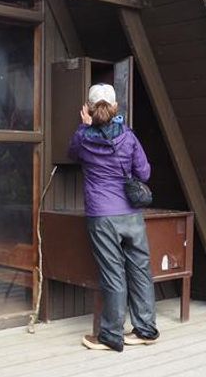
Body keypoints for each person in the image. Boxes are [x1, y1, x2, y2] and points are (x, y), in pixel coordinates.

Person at [67, 83, 159, 352]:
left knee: (113, 274)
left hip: (103, 215)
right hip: (131, 215)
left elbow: (71, 154)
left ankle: (110, 335)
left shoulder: (84, 138)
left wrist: (83, 125)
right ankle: (145, 330)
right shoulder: (128, 136)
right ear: (115, 107)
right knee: (141, 271)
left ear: (89, 109)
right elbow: (144, 173)